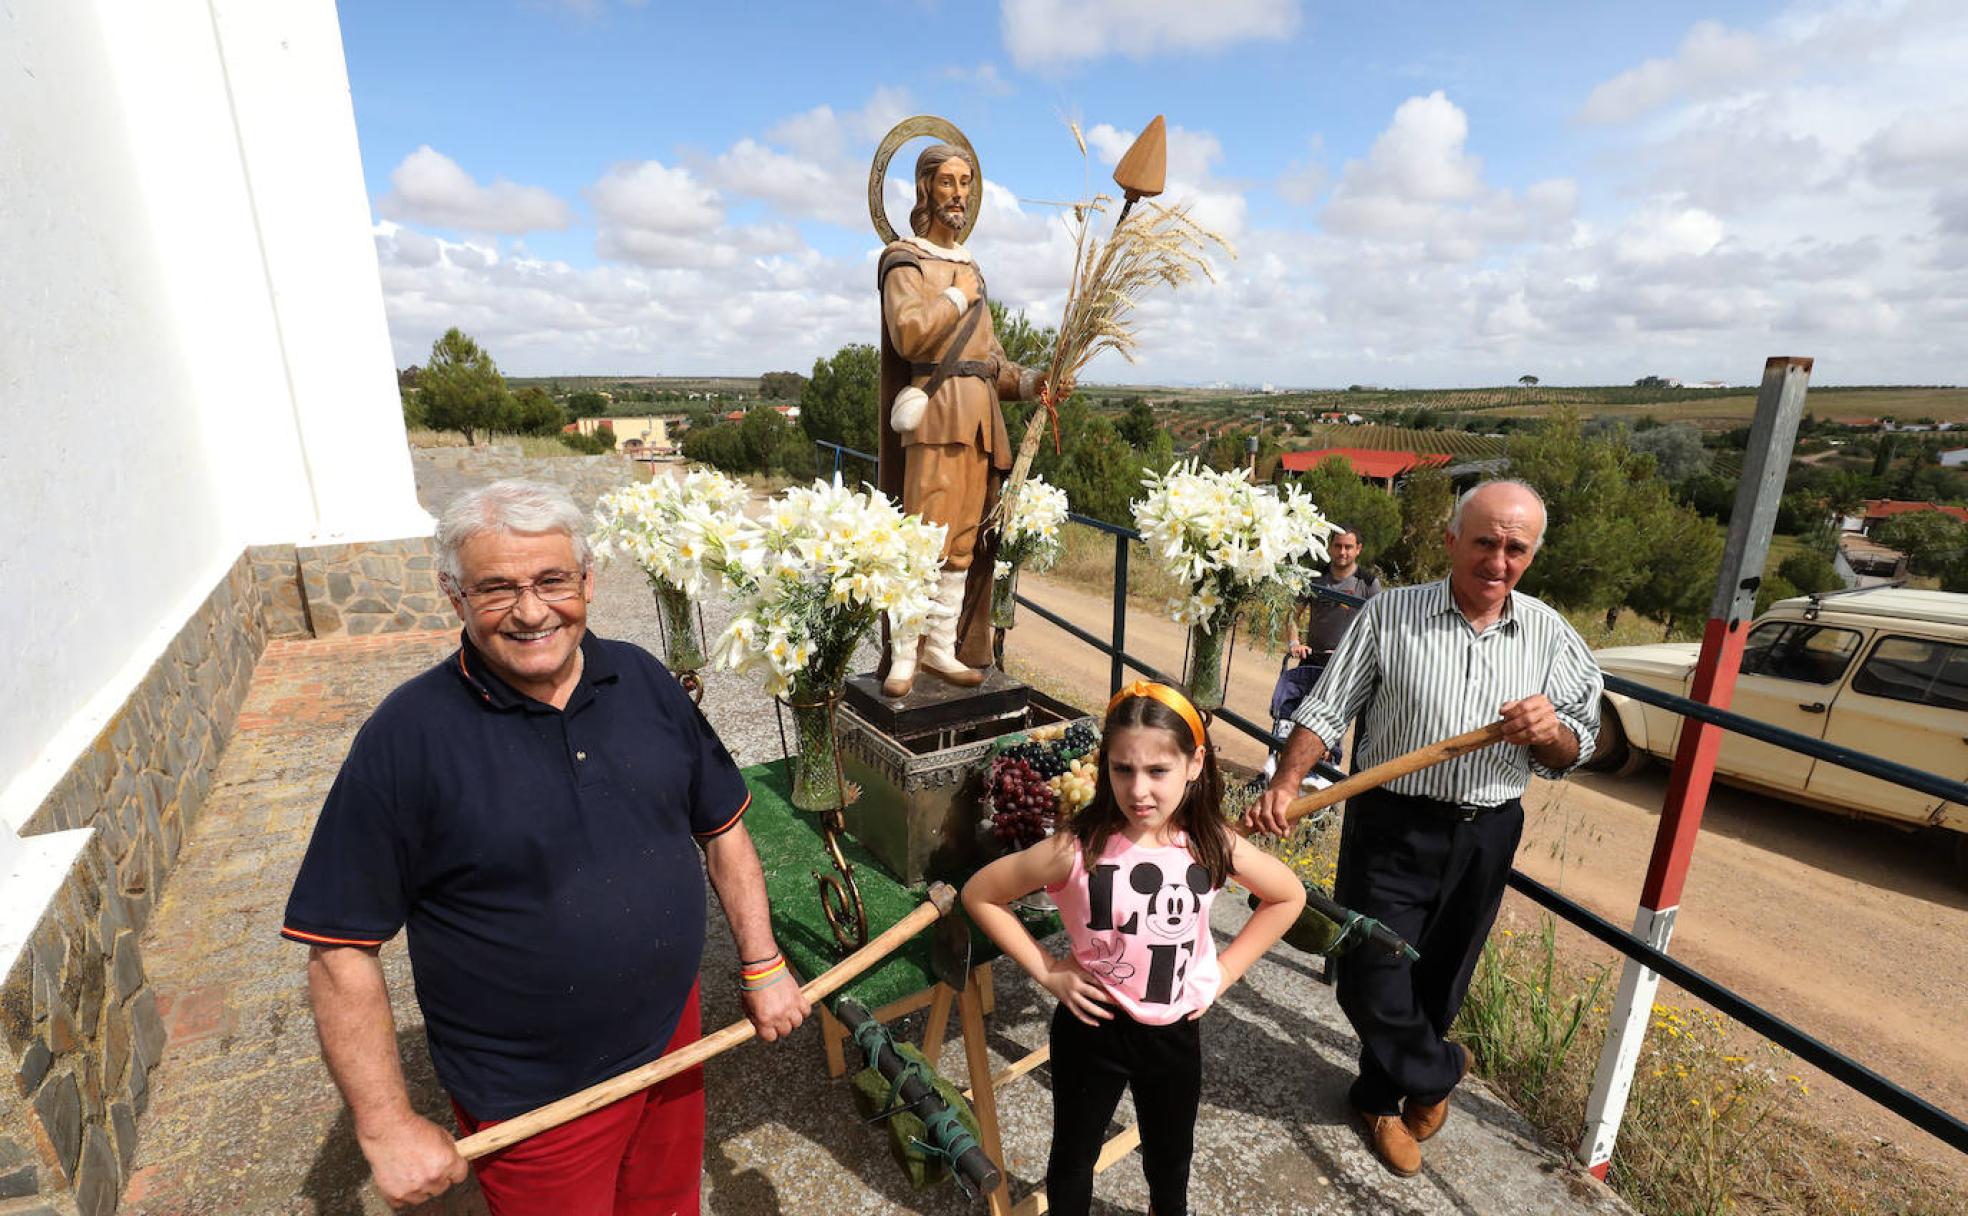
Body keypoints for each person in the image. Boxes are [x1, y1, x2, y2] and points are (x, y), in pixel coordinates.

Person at [282, 480, 809, 1213]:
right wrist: (385, 1125)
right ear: (453, 595)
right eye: (495, 589)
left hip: (672, 1042)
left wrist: (762, 962)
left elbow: (722, 829)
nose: (530, 611)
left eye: (551, 580)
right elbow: (338, 946)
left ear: (588, 580)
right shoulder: (407, 739)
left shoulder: (646, 681)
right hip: (532, 1098)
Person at [1244, 480, 1601, 1178]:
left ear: (1531, 554)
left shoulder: (1550, 634)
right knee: (1366, 973)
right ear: (1451, 541)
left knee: (1440, 979)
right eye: (1485, 541)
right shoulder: (1390, 615)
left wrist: (1551, 732)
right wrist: (1286, 783)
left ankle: (1380, 1101)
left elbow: (1583, 740)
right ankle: (1438, 1072)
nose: (1498, 560)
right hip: (1391, 822)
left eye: (1516, 547)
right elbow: (1326, 707)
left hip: (1487, 830)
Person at [964, 682, 1305, 1216]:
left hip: (1174, 1034)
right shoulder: (1075, 848)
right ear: (1105, 767)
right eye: (1123, 769)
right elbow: (980, 894)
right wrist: (1049, 970)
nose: (1139, 790)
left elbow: (1287, 896)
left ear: (1194, 765)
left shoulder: (1211, 842)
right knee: (1073, 1161)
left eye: (1157, 771)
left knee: (1170, 1163)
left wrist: (1223, 973)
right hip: (1091, 1030)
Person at [875, 142, 1065, 697]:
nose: (958, 194)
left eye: (966, 183)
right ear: (925, 189)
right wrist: (955, 299)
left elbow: (988, 358)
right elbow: (909, 332)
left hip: (979, 420)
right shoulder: (904, 260)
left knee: (961, 542)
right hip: (935, 417)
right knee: (922, 540)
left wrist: (1030, 383)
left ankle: (940, 647)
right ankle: (904, 653)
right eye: (948, 182)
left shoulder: (971, 268)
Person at [1266, 523, 1379, 776]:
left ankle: (1324, 776)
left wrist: (1350, 654)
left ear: (1358, 549)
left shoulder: (1368, 583)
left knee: (1331, 726)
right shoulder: (1314, 578)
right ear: (1330, 547)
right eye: (1338, 546)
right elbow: (1291, 615)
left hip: (1345, 667)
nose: (1342, 552)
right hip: (1311, 659)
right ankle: (1279, 770)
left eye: (1348, 547)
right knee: (1295, 715)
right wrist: (1295, 644)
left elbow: (1378, 625)